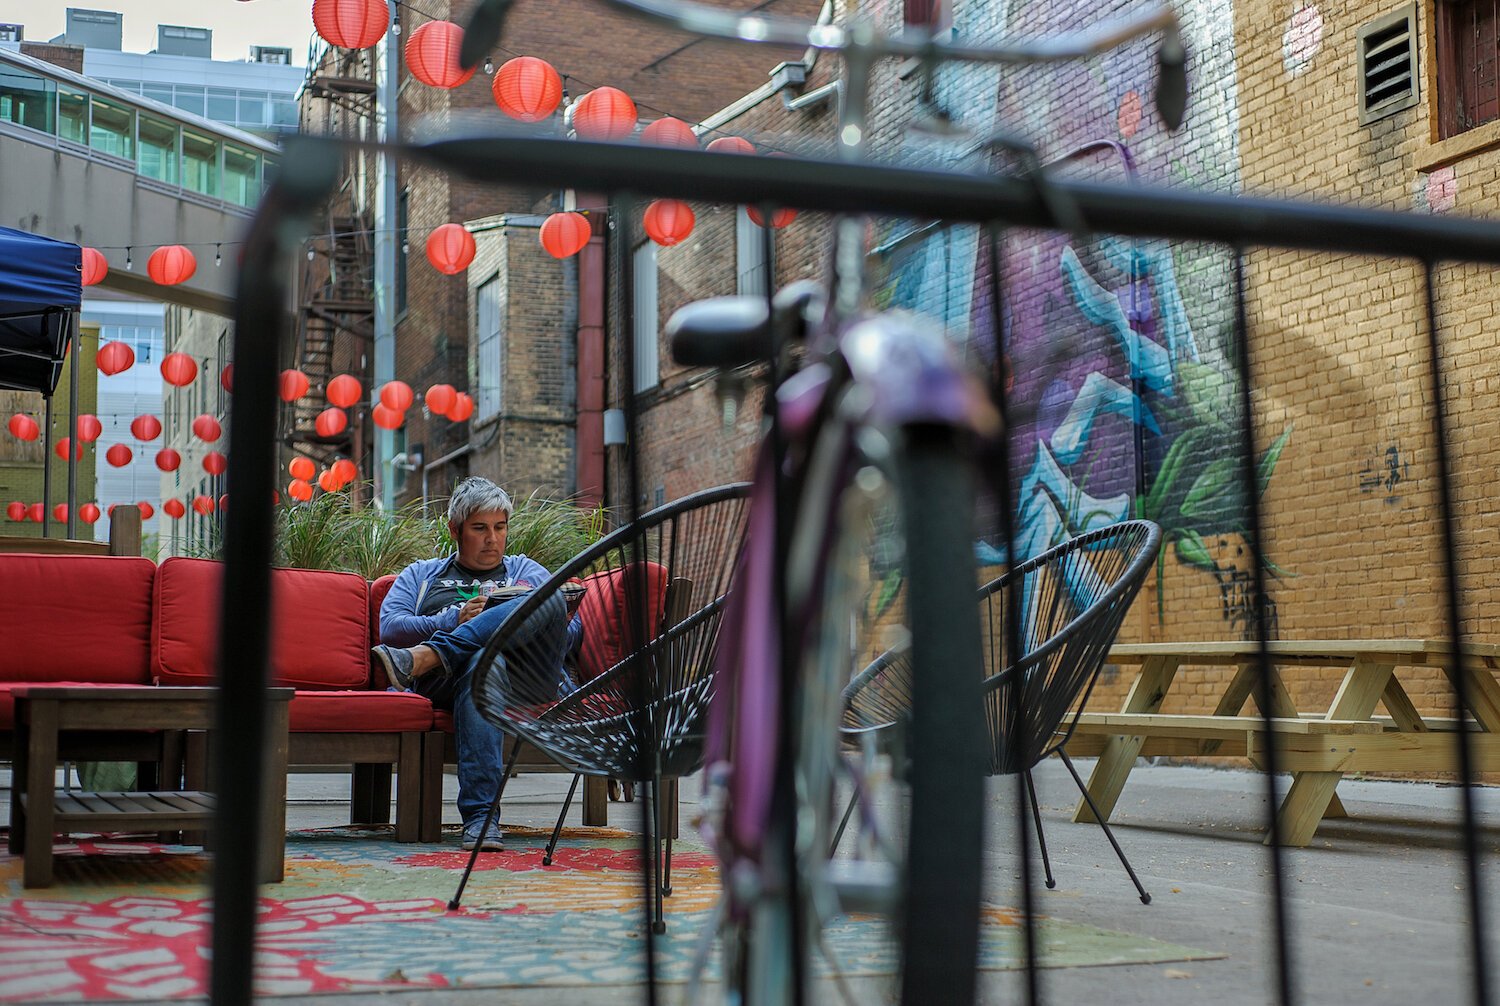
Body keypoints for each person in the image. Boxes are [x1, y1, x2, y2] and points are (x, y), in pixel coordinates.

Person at [373, 476, 578, 851]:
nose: (493, 539)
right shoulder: (421, 575)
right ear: (455, 530)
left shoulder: (524, 570)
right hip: (448, 683)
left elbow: (570, 631)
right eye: (480, 528)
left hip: (527, 676)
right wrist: (451, 619)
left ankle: (430, 655)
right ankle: (481, 819)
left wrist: (516, 614)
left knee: (550, 597)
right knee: (483, 662)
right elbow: (389, 627)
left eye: (500, 528)